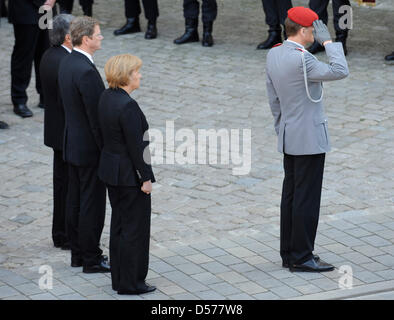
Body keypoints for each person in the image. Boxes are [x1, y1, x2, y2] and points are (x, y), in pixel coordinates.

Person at [266, 7, 349, 272]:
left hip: (290, 136)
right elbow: (340, 70)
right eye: (313, 30)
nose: (315, 33)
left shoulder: (274, 53)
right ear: (302, 31)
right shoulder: (303, 59)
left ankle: (289, 253)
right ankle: (302, 256)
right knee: (307, 199)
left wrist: (283, 130)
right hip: (310, 139)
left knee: (291, 196)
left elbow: (274, 101)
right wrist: (329, 42)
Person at [98, 54, 156, 295]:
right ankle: (132, 282)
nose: (140, 75)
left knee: (119, 226)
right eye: (137, 71)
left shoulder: (106, 97)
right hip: (129, 176)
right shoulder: (128, 105)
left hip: (112, 171)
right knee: (135, 229)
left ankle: (120, 278)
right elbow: (137, 146)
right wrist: (146, 178)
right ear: (127, 76)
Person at [58, 16, 109, 273]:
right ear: (86, 39)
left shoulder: (67, 62)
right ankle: (91, 257)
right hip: (89, 149)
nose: (101, 37)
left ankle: (78, 254)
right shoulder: (87, 71)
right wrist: (107, 149)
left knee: (75, 200)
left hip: (72, 144)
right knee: (92, 204)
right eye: (98, 34)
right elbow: (96, 117)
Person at [40, 14, 74, 250]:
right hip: (67, 134)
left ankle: (60, 232)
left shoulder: (49, 55)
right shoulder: (66, 62)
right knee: (70, 187)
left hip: (56, 132)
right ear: (68, 36)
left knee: (61, 185)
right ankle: (66, 234)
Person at [8, 0, 56, 118]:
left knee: (45, 53)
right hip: (24, 8)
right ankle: (19, 100)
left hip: (46, 8)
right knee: (23, 55)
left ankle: (45, 96)